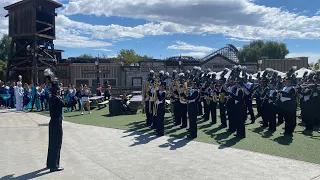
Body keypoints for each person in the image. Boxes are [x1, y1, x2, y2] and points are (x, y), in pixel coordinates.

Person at [44, 69, 73, 172]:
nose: (61, 90)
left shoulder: (52, 97)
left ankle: (49, 163)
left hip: (52, 123)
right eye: (59, 89)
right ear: (57, 90)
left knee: (52, 144)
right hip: (57, 124)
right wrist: (72, 98)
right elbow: (67, 104)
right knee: (57, 144)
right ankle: (54, 166)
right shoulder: (57, 98)